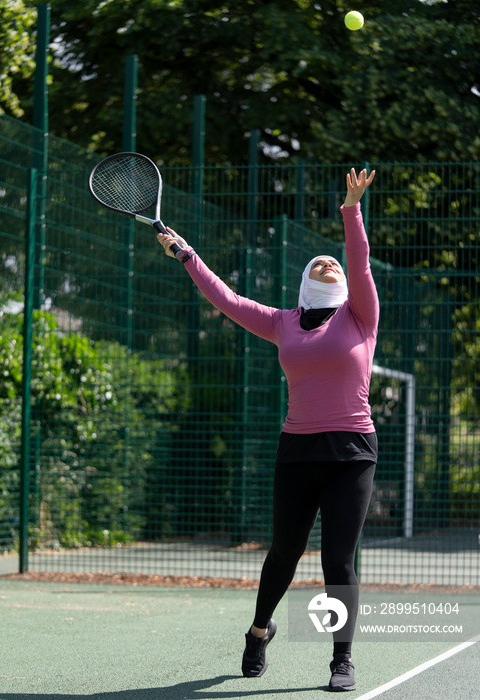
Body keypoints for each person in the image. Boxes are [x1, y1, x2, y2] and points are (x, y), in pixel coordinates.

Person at [157, 167, 378, 692]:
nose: (328, 261)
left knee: (338, 560)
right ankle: (259, 631)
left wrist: (351, 207)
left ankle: (341, 659)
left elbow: (360, 259)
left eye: (333, 261)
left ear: (342, 281)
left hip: (352, 451)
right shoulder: (281, 321)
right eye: (318, 260)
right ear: (306, 280)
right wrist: (189, 256)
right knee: (284, 550)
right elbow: (228, 300)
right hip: (297, 450)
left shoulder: (359, 315)